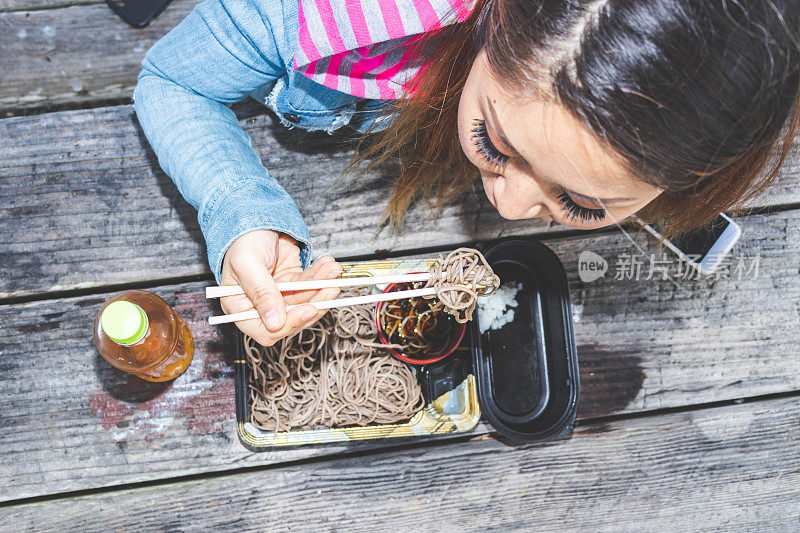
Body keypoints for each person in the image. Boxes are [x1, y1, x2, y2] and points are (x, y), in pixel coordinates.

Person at [134, 0, 800, 347]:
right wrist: (238, 206)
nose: (507, 208)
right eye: (494, 140)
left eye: (583, 201)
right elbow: (170, 81)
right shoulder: (306, 16)